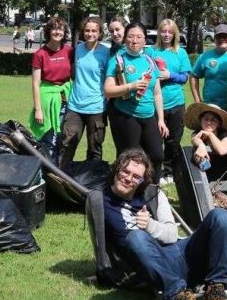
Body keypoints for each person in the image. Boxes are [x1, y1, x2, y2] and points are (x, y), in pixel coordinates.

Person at [102, 148, 227, 300]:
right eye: (125, 171)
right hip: (151, 266)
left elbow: (171, 234)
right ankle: (180, 295)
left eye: (136, 176)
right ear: (117, 169)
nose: (128, 178)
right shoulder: (99, 200)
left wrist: (150, 225)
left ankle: (216, 289)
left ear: (142, 180)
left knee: (221, 216)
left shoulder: (153, 194)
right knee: (136, 237)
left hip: (179, 253)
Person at [104, 22, 168, 168]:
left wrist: (161, 120)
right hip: (127, 116)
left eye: (139, 37)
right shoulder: (118, 60)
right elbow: (107, 90)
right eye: (131, 36)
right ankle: (127, 188)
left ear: (145, 40)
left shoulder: (149, 61)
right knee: (130, 158)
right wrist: (130, 86)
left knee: (157, 155)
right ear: (125, 39)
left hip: (149, 115)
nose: (135, 40)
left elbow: (157, 93)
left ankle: (153, 189)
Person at [60, 16, 110, 169]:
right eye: (87, 30)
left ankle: (91, 183)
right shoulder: (77, 49)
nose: (90, 34)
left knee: (95, 149)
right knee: (67, 146)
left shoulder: (106, 52)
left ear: (100, 32)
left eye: (94, 31)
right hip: (75, 107)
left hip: (97, 108)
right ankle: (61, 180)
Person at [146, 19, 192, 182]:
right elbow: (145, 74)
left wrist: (170, 75)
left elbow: (185, 77)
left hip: (176, 103)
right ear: (159, 33)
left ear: (174, 34)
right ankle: (155, 171)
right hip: (154, 104)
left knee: (173, 140)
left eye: (170, 32)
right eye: (163, 31)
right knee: (155, 141)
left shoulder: (181, 52)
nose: (166, 35)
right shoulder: (151, 51)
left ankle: (169, 171)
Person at [29, 16, 72, 140]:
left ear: (64, 33)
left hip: (66, 99)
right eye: (54, 29)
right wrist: (38, 109)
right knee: (49, 138)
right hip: (47, 100)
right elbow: (36, 83)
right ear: (48, 31)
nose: (57, 32)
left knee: (64, 139)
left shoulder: (69, 51)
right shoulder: (40, 54)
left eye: (60, 29)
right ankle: (48, 160)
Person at [190, 24, 227, 111]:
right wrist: (197, 99)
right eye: (218, 36)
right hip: (211, 107)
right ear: (214, 39)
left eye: (225, 36)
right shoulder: (205, 56)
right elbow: (193, 76)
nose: (222, 39)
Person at [185, 102, 227, 167]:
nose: (209, 122)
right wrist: (201, 146)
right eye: (206, 119)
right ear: (200, 121)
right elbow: (194, 139)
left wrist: (210, 135)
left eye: (213, 120)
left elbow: (222, 150)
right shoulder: (197, 133)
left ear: (219, 124)